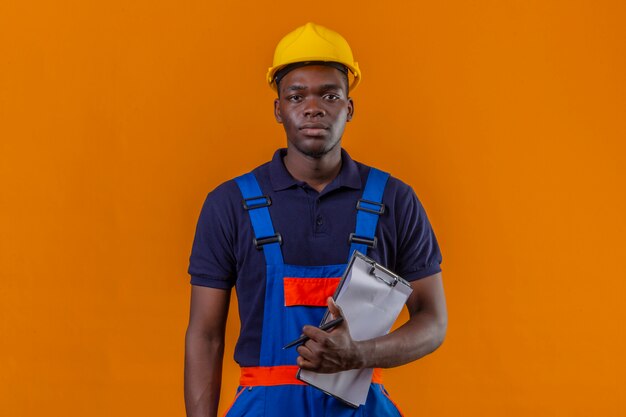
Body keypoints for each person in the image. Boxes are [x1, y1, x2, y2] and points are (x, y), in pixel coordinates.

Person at [184, 22, 447, 417]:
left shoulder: (395, 201)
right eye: (296, 95)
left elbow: (433, 321)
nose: (313, 107)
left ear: (349, 107)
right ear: (278, 108)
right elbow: (205, 337)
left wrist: (358, 353)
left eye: (330, 95)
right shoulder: (230, 204)